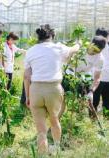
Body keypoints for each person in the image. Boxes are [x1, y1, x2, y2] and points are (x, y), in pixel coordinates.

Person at [24, 24, 80, 154]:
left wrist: (27, 97)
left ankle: (42, 155)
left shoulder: (31, 51)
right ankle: (56, 149)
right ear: (52, 36)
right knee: (54, 121)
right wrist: (78, 44)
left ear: (39, 37)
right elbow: (73, 50)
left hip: (35, 90)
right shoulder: (58, 47)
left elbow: (26, 76)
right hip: (53, 89)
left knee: (41, 130)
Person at [93, 28, 109, 117]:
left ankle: (93, 119)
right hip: (106, 79)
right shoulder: (106, 46)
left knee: (94, 101)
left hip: (95, 79)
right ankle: (106, 120)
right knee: (107, 102)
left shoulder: (92, 47)